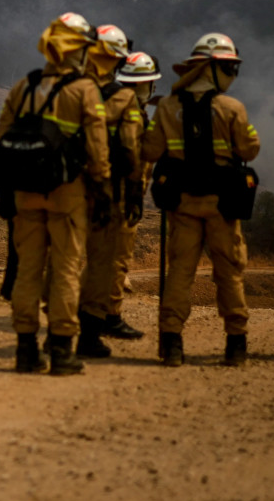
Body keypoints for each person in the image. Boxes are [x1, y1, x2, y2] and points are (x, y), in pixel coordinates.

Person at [0, 13, 109, 375]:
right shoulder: (85, 90)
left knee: (28, 269)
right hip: (67, 194)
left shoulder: (23, 87)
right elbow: (98, 149)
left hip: (25, 195)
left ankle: (25, 349)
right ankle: (61, 349)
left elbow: (0, 141)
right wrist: (102, 187)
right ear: (78, 50)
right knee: (66, 270)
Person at [142, 33, 260, 367]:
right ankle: (236, 345)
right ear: (213, 68)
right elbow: (250, 149)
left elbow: (149, 151)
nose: (233, 74)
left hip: (183, 204)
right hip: (223, 205)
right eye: (231, 67)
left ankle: (172, 344)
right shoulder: (232, 108)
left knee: (180, 272)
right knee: (229, 273)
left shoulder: (167, 106)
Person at [76, 26, 146, 358]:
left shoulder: (66, 89)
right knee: (103, 263)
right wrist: (134, 191)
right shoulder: (123, 98)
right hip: (107, 192)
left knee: (62, 260)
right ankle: (89, 335)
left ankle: (54, 336)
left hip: (66, 189)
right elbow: (131, 149)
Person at [104, 51, 162, 342]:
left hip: (99, 194)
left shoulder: (104, 103)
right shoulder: (133, 113)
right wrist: (136, 193)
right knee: (117, 258)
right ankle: (110, 316)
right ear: (147, 85)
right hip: (124, 195)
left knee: (94, 255)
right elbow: (136, 155)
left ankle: (83, 310)